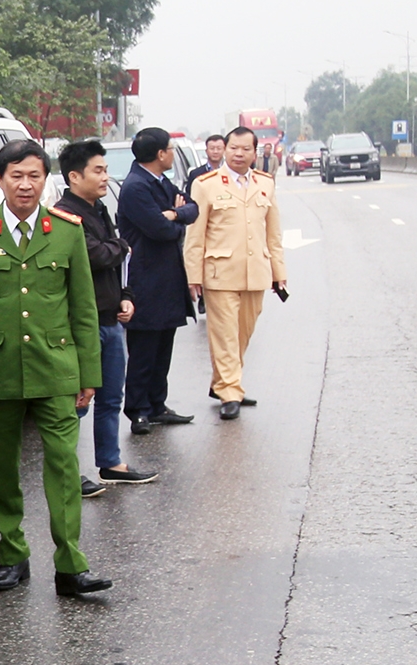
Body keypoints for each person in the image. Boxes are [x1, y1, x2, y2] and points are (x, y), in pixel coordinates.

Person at [0, 139, 110, 598]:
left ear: (46, 180)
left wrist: (89, 375)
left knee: (65, 466)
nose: (25, 185)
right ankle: (12, 554)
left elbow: (84, 309)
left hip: (56, 368)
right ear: (0, 181)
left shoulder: (66, 231)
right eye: (16, 176)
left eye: (34, 176)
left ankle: (70, 563)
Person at [53, 140, 158, 493]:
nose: (105, 177)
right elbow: (96, 255)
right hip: (84, 324)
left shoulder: (99, 210)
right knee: (78, 403)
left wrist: (126, 297)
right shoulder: (65, 215)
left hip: (112, 319)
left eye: (105, 169)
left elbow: (115, 259)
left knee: (112, 396)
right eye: (98, 170)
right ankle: (69, 472)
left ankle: (111, 462)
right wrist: (121, 247)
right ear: (73, 176)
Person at [184, 126, 287, 421]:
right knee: (225, 334)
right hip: (220, 272)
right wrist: (193, 275)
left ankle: (225, 382)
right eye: (233, 148)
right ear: (224, 150)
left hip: (256, 272)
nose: (239, 154)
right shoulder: (206, 184)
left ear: (256, 153)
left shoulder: (265, 183)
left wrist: (279, 272)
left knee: (243, 333)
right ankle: (230, 391)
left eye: (245, 149)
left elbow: (273, 233)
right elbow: (195, 235)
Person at [116, 127, 199, 436]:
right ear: (160, 154)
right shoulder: (136, 187)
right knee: (143, 349)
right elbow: (158, 230)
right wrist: (176, 222)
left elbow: (192, 208)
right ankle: (138, 410)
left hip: (167, 276)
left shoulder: (161, 181)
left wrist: (175, 214)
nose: (172, 153)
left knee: (164, 344)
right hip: (145, 278)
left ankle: (157, 404)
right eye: (170, 149)